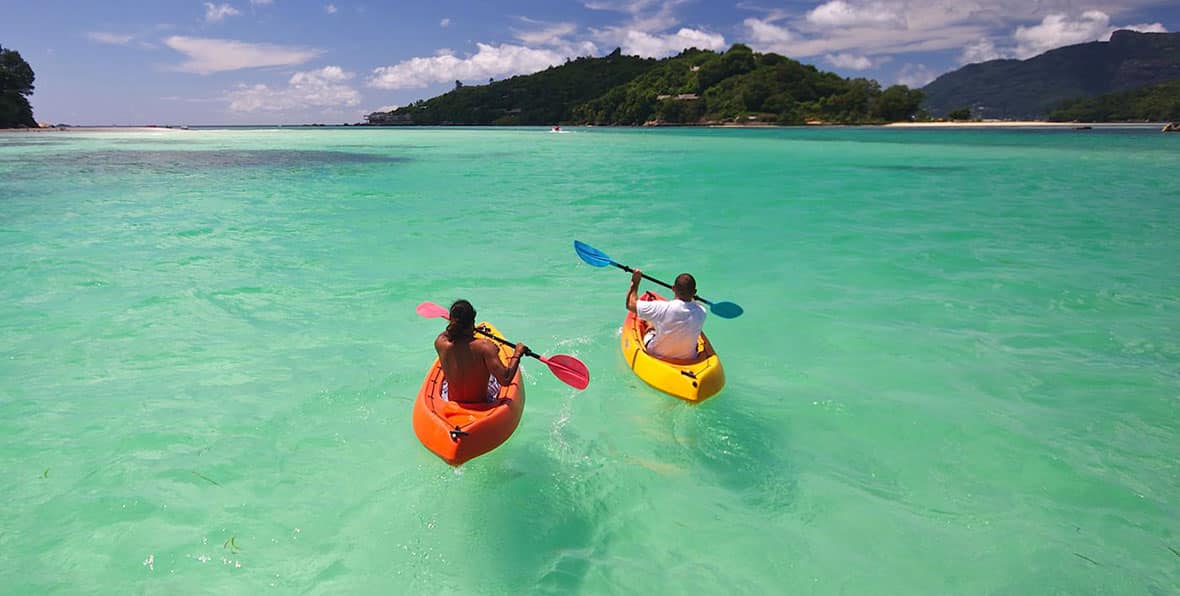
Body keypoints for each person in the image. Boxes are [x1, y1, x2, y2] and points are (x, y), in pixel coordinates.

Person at [434, 299, 527, 404]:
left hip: (451, 400)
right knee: (494, 375)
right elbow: (505, 379)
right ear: (472, 323)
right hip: (480, 402)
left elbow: (449, 334)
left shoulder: (440, 343)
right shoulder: (485, 347)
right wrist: (517, 353)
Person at [626, 269, 707, 361]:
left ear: (673, 288)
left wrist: (635, 282)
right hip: (689, 358)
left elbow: (630, 304)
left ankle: (651, 326)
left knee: (651, 326)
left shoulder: (663, 307)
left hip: (657, 354)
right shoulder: (702, 311)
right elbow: (695, 305)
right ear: (694, 292)